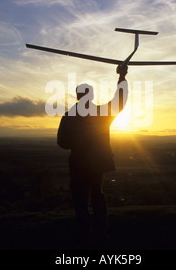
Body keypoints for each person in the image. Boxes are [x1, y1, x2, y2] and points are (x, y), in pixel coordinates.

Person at [57, 64, 129, 245]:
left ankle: (84, 235)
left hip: (78, 163)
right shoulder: (101, 113)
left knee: (81, 200)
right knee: (97, 195)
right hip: (96, 163)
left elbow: (62, 143)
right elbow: (120, 100)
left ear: (78, 96)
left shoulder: (69, 116)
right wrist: (122, 76)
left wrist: (77, 143)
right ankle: (101, 233)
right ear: (91, 96)